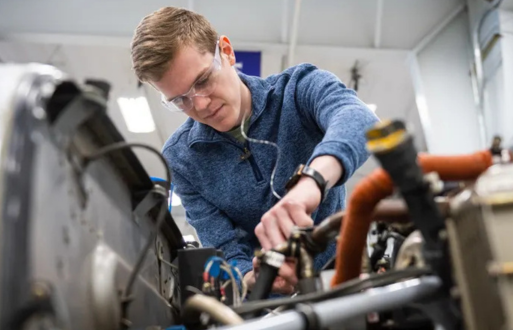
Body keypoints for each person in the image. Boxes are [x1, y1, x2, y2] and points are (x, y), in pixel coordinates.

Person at [131, 7, 378, 293]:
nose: (199, 106)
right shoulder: (182, 158)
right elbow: (224, 248)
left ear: (226, 51)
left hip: (344, 267)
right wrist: (252, 278)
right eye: (180, 100)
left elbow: (360, 121)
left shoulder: (297, 89)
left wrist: (312, 182)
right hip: (269, 296)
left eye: (202, 81)